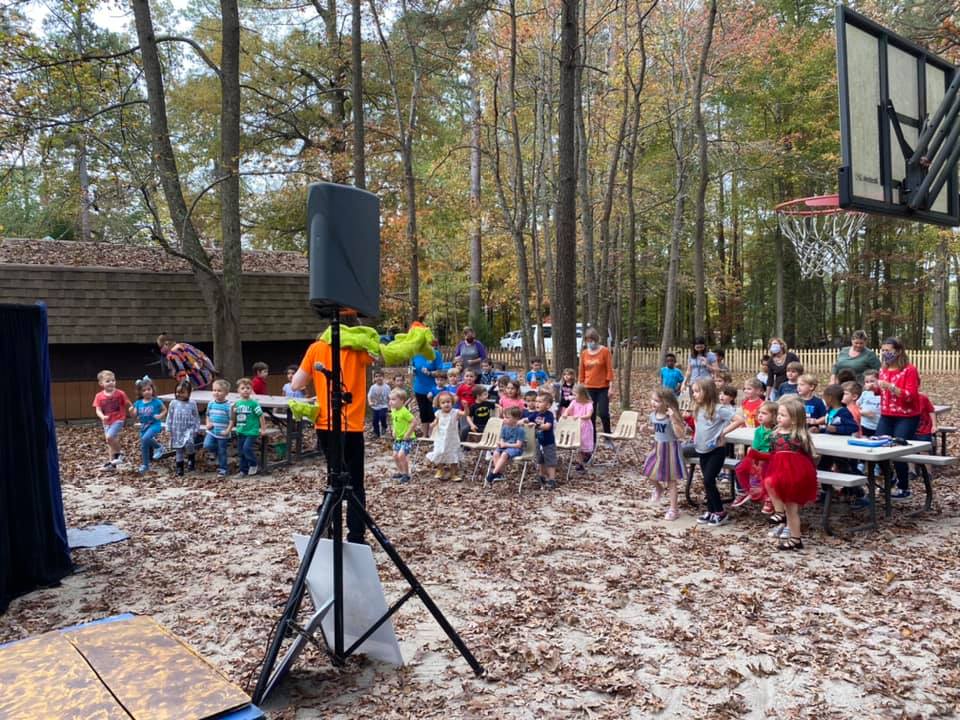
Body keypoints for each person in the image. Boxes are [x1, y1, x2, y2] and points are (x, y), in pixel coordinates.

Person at [291, 324, 375, 544]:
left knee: (334, 477)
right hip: (352, 425)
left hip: (325, 425)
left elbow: (296, 383)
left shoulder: (315, 348)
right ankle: (356, 536)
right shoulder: (359, 348)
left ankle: (325, 520)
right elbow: (380, 357)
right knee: (355, 483)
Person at [762, 398, 818, 551]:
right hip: (778, 470)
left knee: (791, 509)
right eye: (778, 414)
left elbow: (809, 455)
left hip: (795, 474)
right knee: (769, 482)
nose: (779, 417)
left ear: (794, 420)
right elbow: (772, 453)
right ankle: (780, 513)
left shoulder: (799, 436)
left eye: (783, 415)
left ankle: (795, 538)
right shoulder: (774, 434)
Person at [875, 337, 921, 498]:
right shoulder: (883, 370)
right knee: (877, 446)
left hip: (906, 416)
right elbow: (881, 393)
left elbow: (911, 396)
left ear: (899, 351)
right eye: (883, 351)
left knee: (897, 450)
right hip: (887, 415)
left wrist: (892, 388)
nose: (885, 354)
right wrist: (875, 388)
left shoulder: (909, 370)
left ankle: (904, 487)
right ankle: (890, 477)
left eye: (889, 351)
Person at [691, 378, 736, 526]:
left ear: (707, 392)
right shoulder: (698, 408)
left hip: (716, 450)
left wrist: (722, 433)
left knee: (708, 480)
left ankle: (720, 512)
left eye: (697, 391)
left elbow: (739, 420)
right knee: (707, 482)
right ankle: (711, 511)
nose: (694, 394)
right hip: (702, 449)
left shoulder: (719, 409)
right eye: (693, 391)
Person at [641, 388, 687, 521]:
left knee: (671, 480)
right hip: (657, 448)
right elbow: (657, 430)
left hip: (671, 449)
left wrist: (673, 418)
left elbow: (680, 434)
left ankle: (674, 509)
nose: (653, 403)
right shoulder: (653, 415)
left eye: (657, 401)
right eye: (653, 400)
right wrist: (646, 429)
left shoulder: (672, 416)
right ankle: (659, 489)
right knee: (648, 471)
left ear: (666, 402)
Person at [731, 401, 777, 511]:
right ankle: (748, 490)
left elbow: (773, 449)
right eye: (759, 413)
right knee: (740, 468)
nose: (760, 415)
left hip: (770, 458)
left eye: (764, 413)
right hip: (757, 456)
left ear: (774, 416)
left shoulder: (776, 431)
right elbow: (755, 446)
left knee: (766, 472)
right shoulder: (758, 430)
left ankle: (768, 497)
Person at [578, 327, 614, 439]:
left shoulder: (605, 351)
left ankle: (608, 436)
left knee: (603, 413)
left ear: (596, 339)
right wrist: (580, 387)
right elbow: (581, 371)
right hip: (588, 388)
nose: (590, 343)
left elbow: (609, 370)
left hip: (603, 387)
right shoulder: (584, 353)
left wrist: (611, 387)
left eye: (592, 340)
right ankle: (591, 440)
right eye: (588, 341)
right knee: (591, 415)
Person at [92, 369, 132, 469]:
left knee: (109, 437)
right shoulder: (99, 396)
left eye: (113, 380)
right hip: (106, 422)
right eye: (108, 381)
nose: (111, 383)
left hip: (118, 419)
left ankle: (120, 454)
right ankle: (112, 464)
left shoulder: (120, 393)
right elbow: (98, 410)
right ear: (101, 383)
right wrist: (102, 417)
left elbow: (128, 403)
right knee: (110, 442)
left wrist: (132, 409)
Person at [131, 375, 166, 474]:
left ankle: (159, 447)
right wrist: (131, 411)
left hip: (155, 424)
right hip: (144, 426)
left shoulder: (156, 401)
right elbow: (134, 416)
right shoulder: (138, 403)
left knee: (145, 438)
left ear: (152, 390)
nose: (147, 391)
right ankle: (145, 465)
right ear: (141, 392)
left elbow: (164, 410)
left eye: (149, 389)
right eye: (144, 390)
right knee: (144, 445)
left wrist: (160, 416)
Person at [232, 377, 266, 476]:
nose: (245, 390)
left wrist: (263, 429)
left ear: (251, 390)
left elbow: (261, 416)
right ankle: (243, 470)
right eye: (242, 388)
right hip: (241, 430)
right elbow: (234, 417)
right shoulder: (237, 403)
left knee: (247, 448)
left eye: (248, 388)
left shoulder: (254, 403)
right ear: (238, 390)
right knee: (241, 452)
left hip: (252, 431)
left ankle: (254, 463)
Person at [166, 379, 200, 476]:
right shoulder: (173, 403)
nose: (179, 394)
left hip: (189, 428)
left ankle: (191, 458)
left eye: (182, 392)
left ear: (188, 393)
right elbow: (170, 416)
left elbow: (196, 416)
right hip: (177, 429)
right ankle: (179, 467)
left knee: (189, 444)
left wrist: (196, 428)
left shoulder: (192, 403)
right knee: (179, 449)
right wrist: (168, 428)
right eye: (177, 392)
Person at [426, 391, 462, 481]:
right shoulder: (438, 413)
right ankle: (440, 470)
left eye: (448, 402)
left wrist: (465, 407)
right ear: (439, 404)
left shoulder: (455, 412)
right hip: (440, 438)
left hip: (452, 438)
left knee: (453, 456)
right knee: (439, 453)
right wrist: (432, 424)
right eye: (443, 403)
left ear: (452, 402)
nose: (446, 404)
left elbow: (465, 414)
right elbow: (435, 422)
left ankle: (453, 474)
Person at [486, 406, 526, 484]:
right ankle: (499, 474)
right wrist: (501, 443)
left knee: (504, 454)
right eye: (504, 417)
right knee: (496, 453)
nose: (504, 419)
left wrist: (505, 444)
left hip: (515, 448)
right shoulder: (504, 427)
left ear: (516, 419)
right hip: (505, 446)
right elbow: (502, 438)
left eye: (507, 417)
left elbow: (518, 445)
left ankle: (494, 473)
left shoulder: (520, 430)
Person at [412, 342, 444, 436]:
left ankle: (432, 434)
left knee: (432, 411)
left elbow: (440, 371)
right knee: (423, 412)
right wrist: (412, 370)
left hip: (433, 388)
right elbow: (412, 367)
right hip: (419, 388)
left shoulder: (435, 354)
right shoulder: (415, 354)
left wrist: (430, 373)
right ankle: (424, 434)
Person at [204, 379, 233, 477]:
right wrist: (208, 423)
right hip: (211, 431)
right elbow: (207, 415)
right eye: (214, 390)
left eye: (219, 391)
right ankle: (214, 452)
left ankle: (223, 469)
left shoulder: (228, 405)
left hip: (222, 432)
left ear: (226, 393)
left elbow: (232, 420)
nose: (216, 392)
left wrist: (228, 431)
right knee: (207, 445)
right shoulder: (211, 403)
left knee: (222, 451)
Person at [563, 383, 595, 472]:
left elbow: (588, 415)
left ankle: (587, 455)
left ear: (582, 394)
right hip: (575, 427)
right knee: (577, 445)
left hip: (585, 427)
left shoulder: (589, 404)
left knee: (584, 444)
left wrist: (580, 417)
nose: (574, 396)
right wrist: (566, 414)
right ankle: (579, 463)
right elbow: (568, 409)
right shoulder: (574, 402)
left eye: (575, 394)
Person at [531, 391, 558, 490]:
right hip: (539, 442)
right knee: (540, 460)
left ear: (548, 405)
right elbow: (527, 420)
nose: (537, 404)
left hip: (548, 442)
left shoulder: (548, 415)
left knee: (550, 461)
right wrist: (522, 421)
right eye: (536, 401)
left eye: (540, 402)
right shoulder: (535, 414)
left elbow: (547, 426)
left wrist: (537, 425)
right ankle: (541, 476)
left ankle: (552, 479)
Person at [389, 388, 416, 484]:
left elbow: (414, 422)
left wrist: (408, 433)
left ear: (401, 401)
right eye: (390, 399)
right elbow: (394, 421)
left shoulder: (404, 411)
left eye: (393, 399)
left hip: (408, 438)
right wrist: (393, 430)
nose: (390, 402)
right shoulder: (393, 410)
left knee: (401, 455)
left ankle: (406, 475)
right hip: (398, 438)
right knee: (395, 456)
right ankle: (401, 472)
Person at [367, 371, 391, 439]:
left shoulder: (387, 387)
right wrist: (370, 402)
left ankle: (384, 426)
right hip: (375, 406)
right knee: (375, 421)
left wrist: (390, 405)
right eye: (376, 376)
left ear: (383, 377)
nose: (378, 378)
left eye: (380, 376)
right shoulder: (373, 387)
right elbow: (369, 396)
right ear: (374, 378)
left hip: (384, 406)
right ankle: (376, 433)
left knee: (382, 416)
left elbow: (390, 397)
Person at [858, 370, 881, 436]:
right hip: (864, 425)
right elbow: (856, 406)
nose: (869, 384)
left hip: (877, 426)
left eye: (872, 381)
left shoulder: (882, 395)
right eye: (867, 382)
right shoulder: (865, 394)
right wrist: (862, 412)